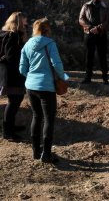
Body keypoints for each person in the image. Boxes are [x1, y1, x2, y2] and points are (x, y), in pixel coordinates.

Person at [19, 18, 67, 163]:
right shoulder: (50, 44)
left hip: (31, 86)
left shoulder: (27, 44)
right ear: (46, 30)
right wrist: (63, 77)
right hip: (46, 87)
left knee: (36, 116)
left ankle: (36, 152)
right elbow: (56, 63)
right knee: (49, 119)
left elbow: (22, 68)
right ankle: (46, 154)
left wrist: (32, 78)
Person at [0, 12, 28, 141]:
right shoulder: (13, 35)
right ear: (18, 21)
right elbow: (11, 56)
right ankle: (7, 132)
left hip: (10, 72)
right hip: (13, 74)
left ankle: (10, 127)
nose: (26, 21)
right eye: (24, 19)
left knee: (15, 100)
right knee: (14, 101)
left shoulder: (6, 34)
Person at [79, 0, 109, 84]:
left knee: (102, 56)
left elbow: (108, 21)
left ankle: (105, 78)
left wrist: (98, 28)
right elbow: (81, 19)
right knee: (89, 56)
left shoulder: (106, 7)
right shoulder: (86, 6)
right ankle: (87, 78)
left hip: (101, 34)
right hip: (89, 34)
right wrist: (90, 27)